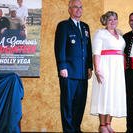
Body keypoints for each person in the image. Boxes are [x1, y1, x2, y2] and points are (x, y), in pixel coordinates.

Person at [54, 0, 92, 132]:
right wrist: (62, 66)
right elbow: (59, 48)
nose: (79, 9)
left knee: (80, 103)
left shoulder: (85, 27)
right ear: (69, 9)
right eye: (75, 7)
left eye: (80, 7)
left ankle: (76, 128)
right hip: (69, 72)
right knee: (68, 104)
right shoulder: (64, 26)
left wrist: (89, 67)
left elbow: (88, 48)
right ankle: (69, 130)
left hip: (82, 72)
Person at [90, 11, 127, 133]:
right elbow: (96, 52)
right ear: (105, 21)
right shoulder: (101, 33)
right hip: (105, 67)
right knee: (104, 95)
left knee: (113, 95)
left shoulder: (120, 35)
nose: (113, 22)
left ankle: (108, 124)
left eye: (115, 19)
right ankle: (102, 125)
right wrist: (97, 70)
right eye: (110, 20)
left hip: (117, 70)